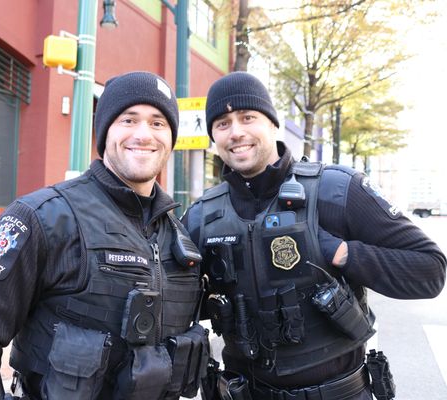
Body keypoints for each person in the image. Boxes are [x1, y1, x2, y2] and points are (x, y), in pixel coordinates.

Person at [0, 71, 210, 400]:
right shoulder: (41, 217)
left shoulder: (178, 236)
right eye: (129, 119)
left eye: (158, 123)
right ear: (104, 132)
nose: (143, 134)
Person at [182, 71, 447, 400]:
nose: (236, 132)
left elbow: (430, 271)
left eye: (247, 117)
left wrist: (338, 252)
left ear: (272, 123)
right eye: (222, 123)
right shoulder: (201, 216)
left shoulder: (337, 190)